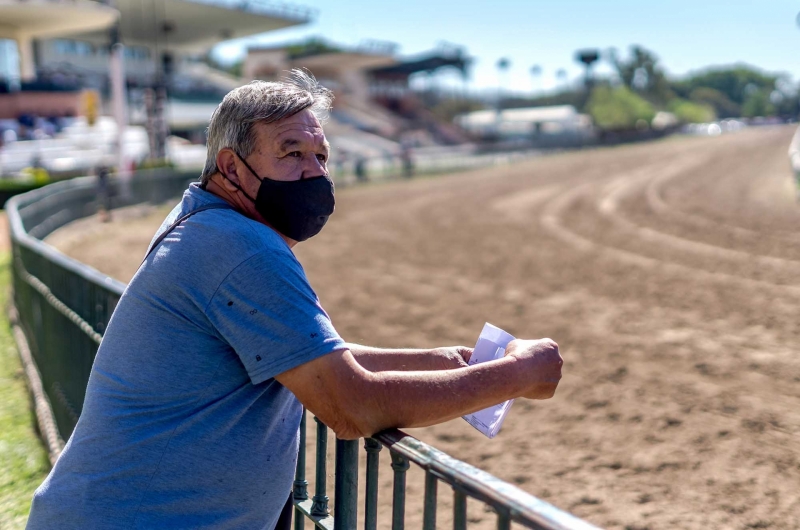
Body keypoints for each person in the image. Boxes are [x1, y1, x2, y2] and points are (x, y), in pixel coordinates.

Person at [26, 70, 562, 530]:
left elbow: (292, 353)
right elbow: (352, 407)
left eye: (321, 156)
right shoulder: (240, 247)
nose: (314, 173)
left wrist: (440, 362)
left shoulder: (201, 222)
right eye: (291, 153)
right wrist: (519, 374)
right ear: (232, 168)